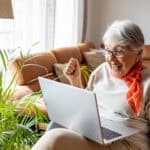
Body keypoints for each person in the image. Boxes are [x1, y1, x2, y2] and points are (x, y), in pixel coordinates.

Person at [32, 20, 150, 150]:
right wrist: (75, 80)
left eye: (119, 51)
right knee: (56, 125)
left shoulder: (148, 82)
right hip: (96, 131)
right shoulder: (101, 71)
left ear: (138, 53)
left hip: (128, 144)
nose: (110, 59)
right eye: (107, 51)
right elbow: (86, 107)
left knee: (56, 138)